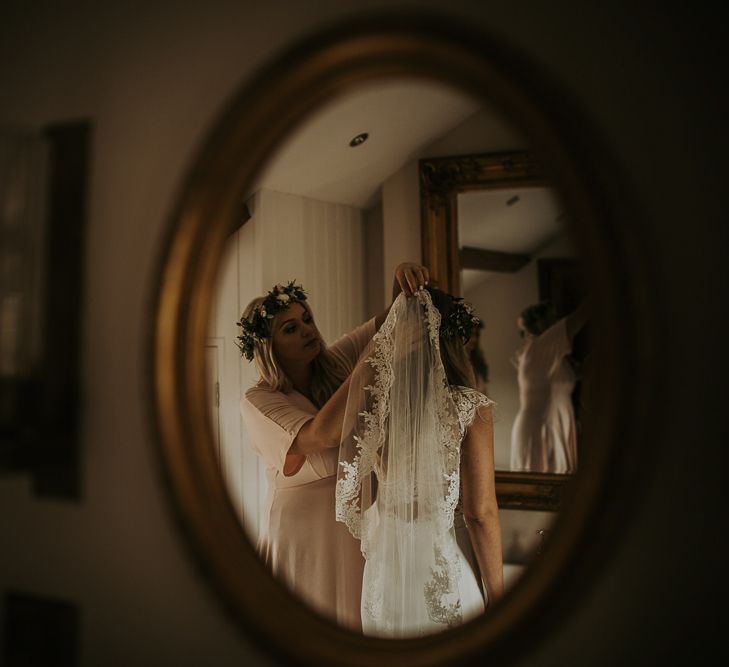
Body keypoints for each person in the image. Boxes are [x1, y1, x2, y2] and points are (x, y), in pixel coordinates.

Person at [237, 263, 429, 632]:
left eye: (306, 319)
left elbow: (391, 320)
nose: (308, 330)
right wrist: (374, 360)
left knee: (358, 624)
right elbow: (320, 435)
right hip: (305, 534)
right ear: (268, 346)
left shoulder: (336, 362)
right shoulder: (258, 400)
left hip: (355, 526)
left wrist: (402, 277)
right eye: (291, 329)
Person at [336, 286, 504, 637]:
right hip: (437, 570)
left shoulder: (377, 405)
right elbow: (480, 514)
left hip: (384, 573)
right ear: (453, 341)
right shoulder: (469, 408)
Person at [510, 299, 589, 474]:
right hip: (544, 426)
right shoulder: (540, 347)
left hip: (555, 422)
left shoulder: (551, 355)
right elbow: (579, 318)